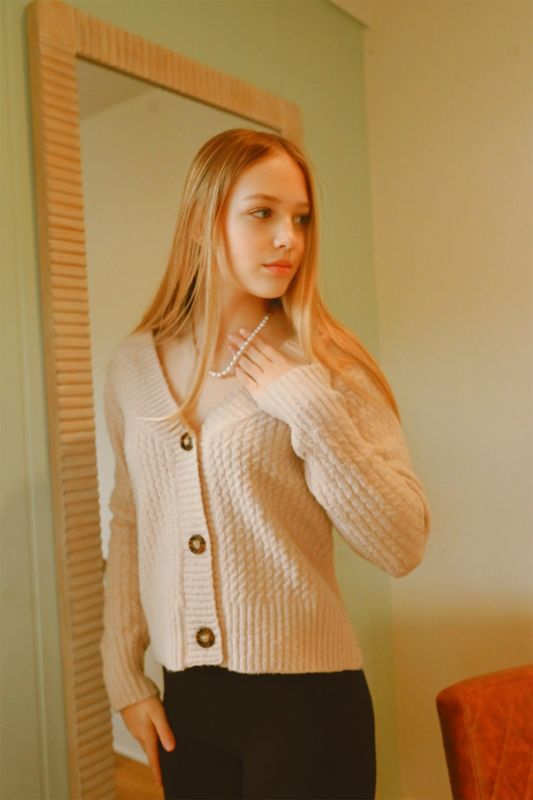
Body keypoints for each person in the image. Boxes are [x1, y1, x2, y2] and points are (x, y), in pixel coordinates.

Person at [100, 128, 431, 800]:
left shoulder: (328, 365)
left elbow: (401, 544)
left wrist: (307, 407)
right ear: (202, 220)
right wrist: (125, 676)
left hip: (307, 709)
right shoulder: (132, 365)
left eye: (300, 219)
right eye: (263, 213)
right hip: (186, 704)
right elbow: (131, 520)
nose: (289, 238)